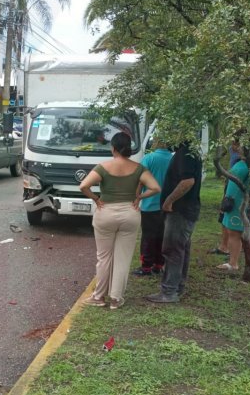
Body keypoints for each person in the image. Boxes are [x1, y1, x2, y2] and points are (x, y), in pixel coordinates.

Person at [79, 132, 161, 309]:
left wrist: (96, 198)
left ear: (113, 148)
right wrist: (139, 197)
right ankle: (116, 299)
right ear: (129, 149)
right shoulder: (139, 168)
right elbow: (155, 188)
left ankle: (99, 297)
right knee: (123, 257)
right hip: (130, 213)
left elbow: (83, 186)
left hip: (106, 212)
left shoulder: (103, 167)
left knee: (104, 257)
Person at [146, 142, 202, 303]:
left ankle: (169, 291)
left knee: (172, 250)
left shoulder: (185, 153)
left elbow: (188, 181)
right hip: (186, 210)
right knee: (181, 249)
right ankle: (177, 286)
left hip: (180, 211)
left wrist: (169, 200)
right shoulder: (188, 151)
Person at [131, 139, 173, 276]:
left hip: (150, 204)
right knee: (162, 236)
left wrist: (137, 196)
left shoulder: (149, 158)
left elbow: (140, 180)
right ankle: (159, 265)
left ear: (156, 143)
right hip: (168, 205)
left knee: (148, 236)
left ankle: (146, 267)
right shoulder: (173, 159)